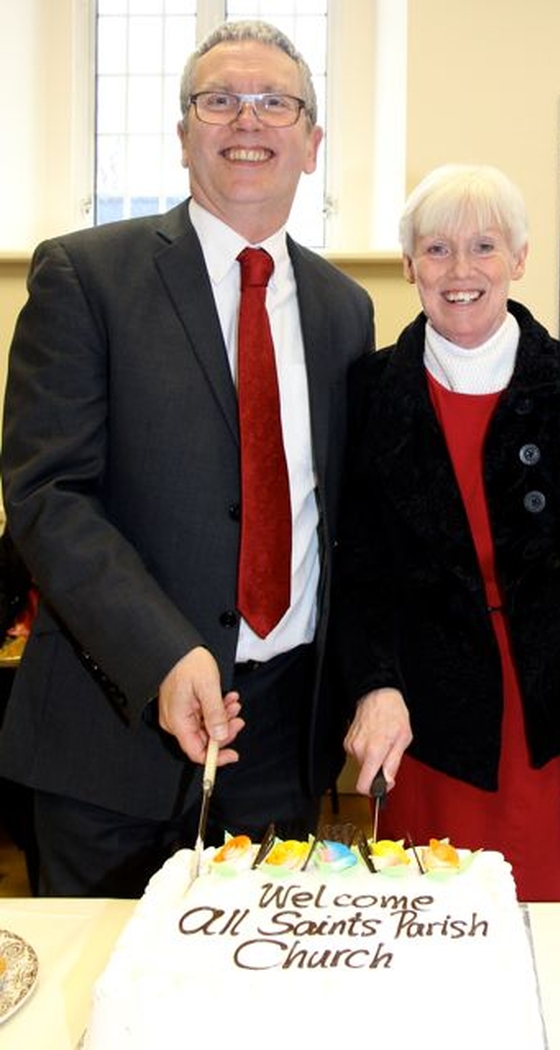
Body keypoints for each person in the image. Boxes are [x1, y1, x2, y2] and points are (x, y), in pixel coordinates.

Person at [0, 20, 374, 897]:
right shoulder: (84, 277)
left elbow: (347, 518)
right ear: (182, 136)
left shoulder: (344, 310)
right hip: (111, 734)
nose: (248, 121)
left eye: (275, 102)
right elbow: (50, 497)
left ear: (311, 143)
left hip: (281, 739)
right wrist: (164, 652)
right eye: (219, 101)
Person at [334, 163, 560, 901]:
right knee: (423, 930)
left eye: (484, 246)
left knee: (536, 939)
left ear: (520, 258)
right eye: (437, 250)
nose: (460, 270)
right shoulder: (373, 390)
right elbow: (359, 568)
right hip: (424, 726)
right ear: (409, 265)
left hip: (545, 730)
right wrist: (374, 685)